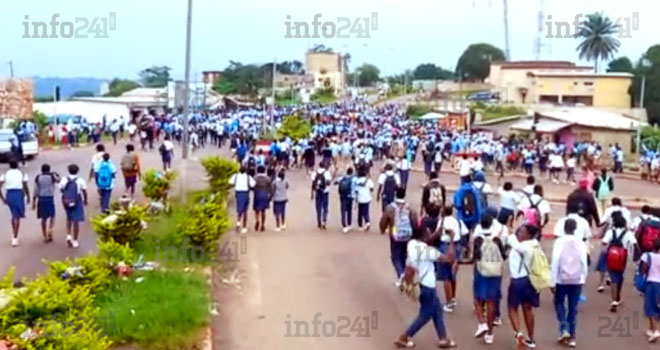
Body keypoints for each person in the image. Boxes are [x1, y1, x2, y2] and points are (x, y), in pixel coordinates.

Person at [394, 222, 457, 349]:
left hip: (419, 284)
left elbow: (426, 240)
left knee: (437, 310)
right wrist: (451, 240)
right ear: (423, 234)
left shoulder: (411, 245)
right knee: (425, 315)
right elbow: (449, 258)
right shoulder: (429, 252)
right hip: (428, 286)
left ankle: (443, 338)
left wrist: (437, 233)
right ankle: (404, 337)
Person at [464, 213, 506, 344]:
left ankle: (482, 323)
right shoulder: (497, 239)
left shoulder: (478, 239)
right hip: (495, 273)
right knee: (491, 302)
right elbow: (503, 256)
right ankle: (490, 333)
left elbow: (474, 257)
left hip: (481, 272)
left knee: (477, 298)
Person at [550, 219, 588, 348]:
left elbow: (555, 261)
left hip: (561, 279)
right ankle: (572, 337)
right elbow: (584, 261)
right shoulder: (581, 243)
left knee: (559, 303)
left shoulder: (559, 242)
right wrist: (584, 278)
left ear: (564, 228)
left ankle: (563, 328)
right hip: (577, 279)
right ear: (575, 229)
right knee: (573, 308)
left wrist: (553, 279)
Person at [507, 224, 542, 349]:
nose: (519, 233)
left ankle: (518, 333)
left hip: (517, 281)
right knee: (528, 309)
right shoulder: (535, 245)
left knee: (512, 308)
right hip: (530, 281)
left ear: (528, 235)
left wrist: (509, 227)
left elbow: (510, 238)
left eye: (522, 232)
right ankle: (531, 338)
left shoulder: (520, 246)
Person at [601, 213, 637, 312]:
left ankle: (614, 300)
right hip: (622, 256)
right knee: (620, 275)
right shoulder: (628, 233)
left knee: (613, 278)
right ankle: (618, 297)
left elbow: (604, 242)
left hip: (611, 255)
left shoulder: (610, 232)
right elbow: (634, 244)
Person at [380, 188, 417, 283]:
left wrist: (383, 229)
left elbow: (384, 220)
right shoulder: (409, 207)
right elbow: (414, 220)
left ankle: (401, 274)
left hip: (395, 233)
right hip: (408, 235)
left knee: (395, 256)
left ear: (395, 194)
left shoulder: (390, 207)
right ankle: (405, 274)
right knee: (404, 255)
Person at [436, 206, 467, 313]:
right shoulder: (458, 221)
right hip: (457, 247)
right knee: (453, 274)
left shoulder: (442, 221)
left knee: (445, 276)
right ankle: (453, 298)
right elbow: (465, 233)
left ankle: (449, 302)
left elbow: (438, 234)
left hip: (445, 246)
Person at [0, 160, 30, 247]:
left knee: (14, 214)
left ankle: (14, 233)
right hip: (18, 194)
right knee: (16, 216)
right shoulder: (21, 174)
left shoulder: (5, 174)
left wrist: (2, 198)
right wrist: (28, 196)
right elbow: (25, 186)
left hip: (9, 194)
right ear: (17, 165)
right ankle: (15, 237)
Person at [60, 164, 88, 248]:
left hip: (66, 200)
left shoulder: (64, 179)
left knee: (69, 218)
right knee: (76, 220)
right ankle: (75, 240)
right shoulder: (80, 180)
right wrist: (85, 200)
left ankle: (68, 235)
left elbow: (61, 189)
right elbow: (84, 191)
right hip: (77, 200)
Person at [33, 164, 60, 243]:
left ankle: (45, 235)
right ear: (49, 169)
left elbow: (35, 190)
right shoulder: (52, 177)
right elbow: (59, 180)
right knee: (52, 216)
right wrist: (56, 174)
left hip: (41, 198)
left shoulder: (38, 177)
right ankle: (50, 229)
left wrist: (34, 201)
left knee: (43, 218)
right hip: (50, 198)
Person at [640, 239, 660, 342]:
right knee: (657, 306)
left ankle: (655, 330)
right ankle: (651, 328)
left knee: (650, 307)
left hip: (651, 283)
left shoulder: (646, 256)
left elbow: (643, 270)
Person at [229, 166, 255, 234]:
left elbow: (230, 182)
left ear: (239, 170)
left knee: (239, 210)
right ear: (245, 171)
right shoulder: (248, 177)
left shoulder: (235, 176)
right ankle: (244, 227)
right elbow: (253, 184)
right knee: (245, 211)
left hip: (238, 193)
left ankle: (238, 223)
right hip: (245, 194)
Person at [311, 162, 332, 230]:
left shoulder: (315, 173)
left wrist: (312, 194)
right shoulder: (327, 173)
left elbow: (313, 183)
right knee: (325, 207)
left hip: (317, 192)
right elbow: (329, 182)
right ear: (325, 166)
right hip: (325, 192)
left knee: (318, 208)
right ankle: (324, 221)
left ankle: (319, 224)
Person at [252, 165, 272, 232]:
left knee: (256, 210)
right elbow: (270, 189)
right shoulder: (267, 178)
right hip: (265, 194)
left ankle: (257, 220)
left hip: (257, 194)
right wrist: (270, 197)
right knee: (263, 211)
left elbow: (252, 186)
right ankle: (263, 224)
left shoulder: (255, 178)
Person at [336, 167, 356, 233]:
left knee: (343, 211)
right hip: (350, 196)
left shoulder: (342, 178)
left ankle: (344, 225)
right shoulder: (353, 178)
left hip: (342, 196)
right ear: (352, 172)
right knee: (349, 210)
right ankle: (349, 224)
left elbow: (335, 182)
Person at [355, 167, 375, 231]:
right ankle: (367, 222)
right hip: (367, 197)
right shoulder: (368, 181)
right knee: (366, 211)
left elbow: (355, 190)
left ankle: (360, 225)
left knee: (360, 212)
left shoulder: (357, 181)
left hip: (360, 198)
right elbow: (372, 188)